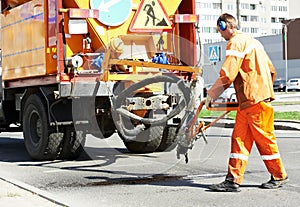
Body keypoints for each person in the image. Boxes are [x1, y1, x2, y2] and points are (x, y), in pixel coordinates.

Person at [207, 13, 288, 192]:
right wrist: (264, 89)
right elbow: (271, 70)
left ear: (224, 26)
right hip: (250, 100)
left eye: (219, 30)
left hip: (254, 100)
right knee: (239, 139)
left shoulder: (235, 42)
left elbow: (228, 74)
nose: (219, 34)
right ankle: (233, 180)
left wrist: (211, 94)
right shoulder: (254, 42)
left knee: (264, 138)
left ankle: (279, 175)